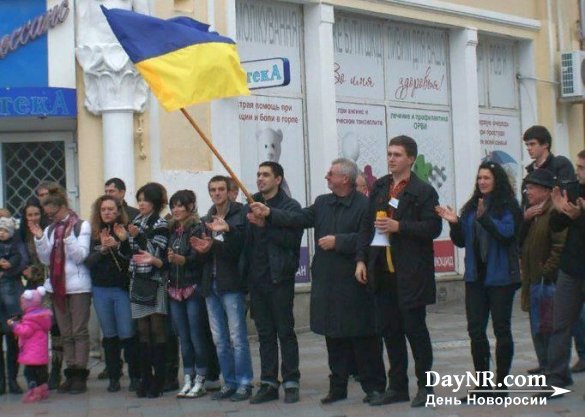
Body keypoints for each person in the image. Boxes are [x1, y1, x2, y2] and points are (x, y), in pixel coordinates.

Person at [249, 158, 386, 405]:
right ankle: (338, 387)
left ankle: (373, 387)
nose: (326, 177)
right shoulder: (323, 203)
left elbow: (372, 238)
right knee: (332, 336)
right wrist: (269, 214)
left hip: (354, 279)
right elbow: (298, 218)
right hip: (326, 279)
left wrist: (339, 241)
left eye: (330, 174)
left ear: (345, 179)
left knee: (361, 336)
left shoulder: (365, 205)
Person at [356, 135, 442, 408]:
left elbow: (433, 228)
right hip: (382, 269)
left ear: (411, 159)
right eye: (389, 154)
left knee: (415, 331)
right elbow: (366, 227)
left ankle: (426, 387)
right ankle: (397, 387)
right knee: (389, 331)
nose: (391, 159)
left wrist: (400, 227)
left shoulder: (423, 191)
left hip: (411, 272)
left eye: (397, 155)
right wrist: (361, 259)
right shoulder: (380, 186)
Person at [207, 162, 303, 404]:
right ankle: (269, 382)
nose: (260, 178)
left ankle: (291, 381)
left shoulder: (290, 206)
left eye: (266, 175)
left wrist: (267, 222)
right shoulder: (251, 203)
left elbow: (291, 239)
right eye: (258, 174)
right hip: (255, 278)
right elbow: (242, 242)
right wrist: (228, 229)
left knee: (285, 331)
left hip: (279, 277)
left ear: (278, 179)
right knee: (265, 333)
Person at [436, 161, 522, 400]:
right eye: (480, 178)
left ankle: (501, 385)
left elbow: (506, 235)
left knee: (501, 329)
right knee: (476, 330)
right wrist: (454, 223)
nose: (482, 182)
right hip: (475, 278)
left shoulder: (508, 206)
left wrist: (486, 218)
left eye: (487, 178)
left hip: (501, 278)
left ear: (497, 180)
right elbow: (461, 241)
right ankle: (483, 385)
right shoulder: (472, 206)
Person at [191, 176, 253, 401]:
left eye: (220, 189)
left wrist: (226, 232)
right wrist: (202, 250)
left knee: (237, 336)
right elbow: (204, 257)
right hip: (211, 282)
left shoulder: (241, 214)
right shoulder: (206, 218)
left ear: (229, 192)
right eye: (213, 190)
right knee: (219, 338)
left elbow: (241, 248)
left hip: (232, 282)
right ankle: (230, 382)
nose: (217, 193)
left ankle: (245, 383)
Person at [32, 185, 92, 394]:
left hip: (78, 286)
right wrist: (40, 238)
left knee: (79, 331)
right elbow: (45, 259)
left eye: (54, 213)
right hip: (58, 286)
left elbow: (80, 256)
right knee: (65, 333)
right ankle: (71, 371)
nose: (51, 217)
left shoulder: (81, 226)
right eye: (48, 214)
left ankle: (81, 374)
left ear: (63, 207)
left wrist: (68, 237)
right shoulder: (50, 229)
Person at [539, 150, 585, 397]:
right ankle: (556, 378)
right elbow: (558, 227)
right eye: (578, 167)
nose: (578, 172)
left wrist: (580, 216)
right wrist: (558, 211)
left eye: (582, 168)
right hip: (572, 268)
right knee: (560, 324)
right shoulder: (574, 190)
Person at [84, 195, 140, 393]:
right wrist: (103, 251)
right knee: (109, 334)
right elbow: (87, 262)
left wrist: (118, 246)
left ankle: (135, 376)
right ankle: (114, 377)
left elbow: (134, 259)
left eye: (110, 209)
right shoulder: (92, 234)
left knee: (127, 332)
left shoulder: (124, 230)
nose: (107, 212)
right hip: (101, 288)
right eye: (103, 209)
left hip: (121, 288)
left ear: (118, 211)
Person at [166, 190, 218, 398]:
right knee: (183, 337)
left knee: (197, 336)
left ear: (190, 206)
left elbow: (201, 256)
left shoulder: (198, 227)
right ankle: (188, 376)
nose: (177, 209)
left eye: (181, 205)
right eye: (174, 206)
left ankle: (202, 378)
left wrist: (184, 260)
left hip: (192, 288)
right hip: (174, 289)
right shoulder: (173, 229)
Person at [518, 170, 566, 375]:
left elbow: (559, 246)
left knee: (547, 326)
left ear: (546, 191)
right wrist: (525, 220)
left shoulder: (553, 212)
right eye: (527, 188)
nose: (528, 192)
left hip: (546, 280)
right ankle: (543, 363)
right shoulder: (533, 213)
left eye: (532, 188)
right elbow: (519, 242)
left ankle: (552, 368)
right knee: (537, 325)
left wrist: (546, 270)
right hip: (532, 278)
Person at [128, 182, 169, 398]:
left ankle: (159, 380)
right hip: (137, 279)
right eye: (139, 199)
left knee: (156, 329)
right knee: (142, 331)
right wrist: (123, 238)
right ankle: (145, 377)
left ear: (154, 202)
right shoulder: (135, 221)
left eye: (145, 200)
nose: (141, 204)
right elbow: (130, 253)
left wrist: (140, 236)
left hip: (154, 280)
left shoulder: (160, 223)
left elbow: (157, 253)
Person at [7, 286, 52, 403]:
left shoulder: (30, 319)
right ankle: (43, 389)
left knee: (29, 373)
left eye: (22, 303)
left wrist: (14, 325)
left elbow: (24, 332)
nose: (21, 306)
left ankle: (33, 391)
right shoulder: (43, 317)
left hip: (32, 355)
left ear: (28, 305)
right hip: (41, 354)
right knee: (41, 372)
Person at [522, 125, 575, 212]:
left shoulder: (560, 164)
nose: (529, 148)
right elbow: (525, 201)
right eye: (527, 145)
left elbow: (568, 194)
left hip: (558, 217)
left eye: (532, 144)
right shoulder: (530, 171)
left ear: (545, 144)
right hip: (535, 221)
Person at [0, 215, 23, 395]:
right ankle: (1, 382)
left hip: (12, 298)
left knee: (13, 341)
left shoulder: (16, 243)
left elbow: (22, 261)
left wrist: (8, 270)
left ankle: (13, 380)